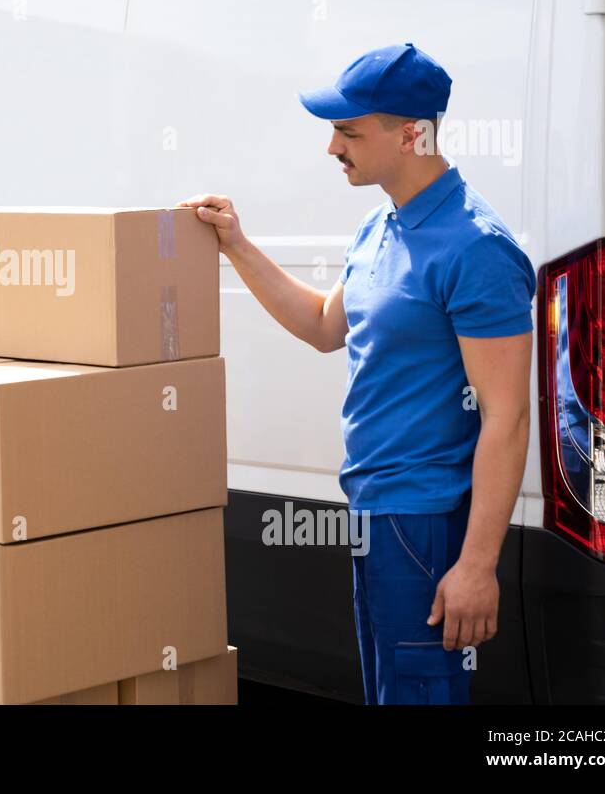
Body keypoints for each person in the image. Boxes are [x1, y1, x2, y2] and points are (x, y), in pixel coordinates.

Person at [181, 44, 535, 704]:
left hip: (424, 523)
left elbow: (507, 417)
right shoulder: (379, 226)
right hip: (374, 513)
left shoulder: (476, 247)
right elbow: (322, 326)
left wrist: (477, 564)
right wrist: (236, 242)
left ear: (410, 134)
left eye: (349, 131)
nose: (332, 147)